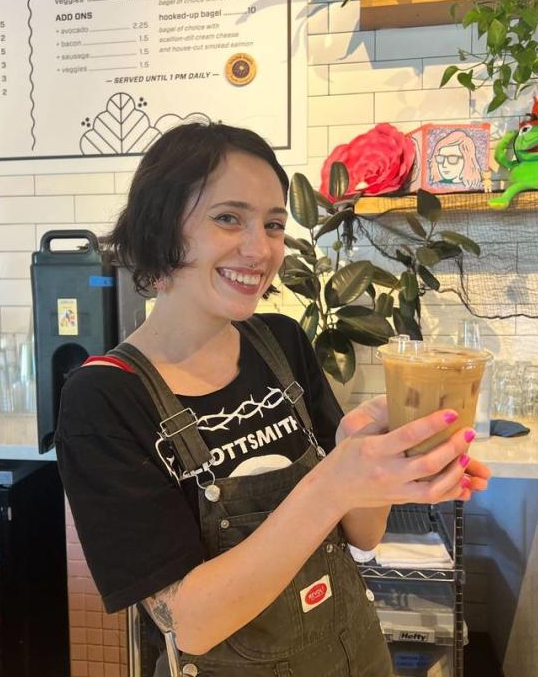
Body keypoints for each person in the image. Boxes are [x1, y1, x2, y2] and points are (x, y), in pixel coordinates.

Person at [54, 122, 492, 677]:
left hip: (356, 659)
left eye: (274, 224)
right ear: (161, 226)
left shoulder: (281, 342)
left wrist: (372, 454)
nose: (260, 249)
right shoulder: (105, 397)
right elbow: (189, 622)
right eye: (227, 218)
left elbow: (363, 534)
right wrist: (331, 484)